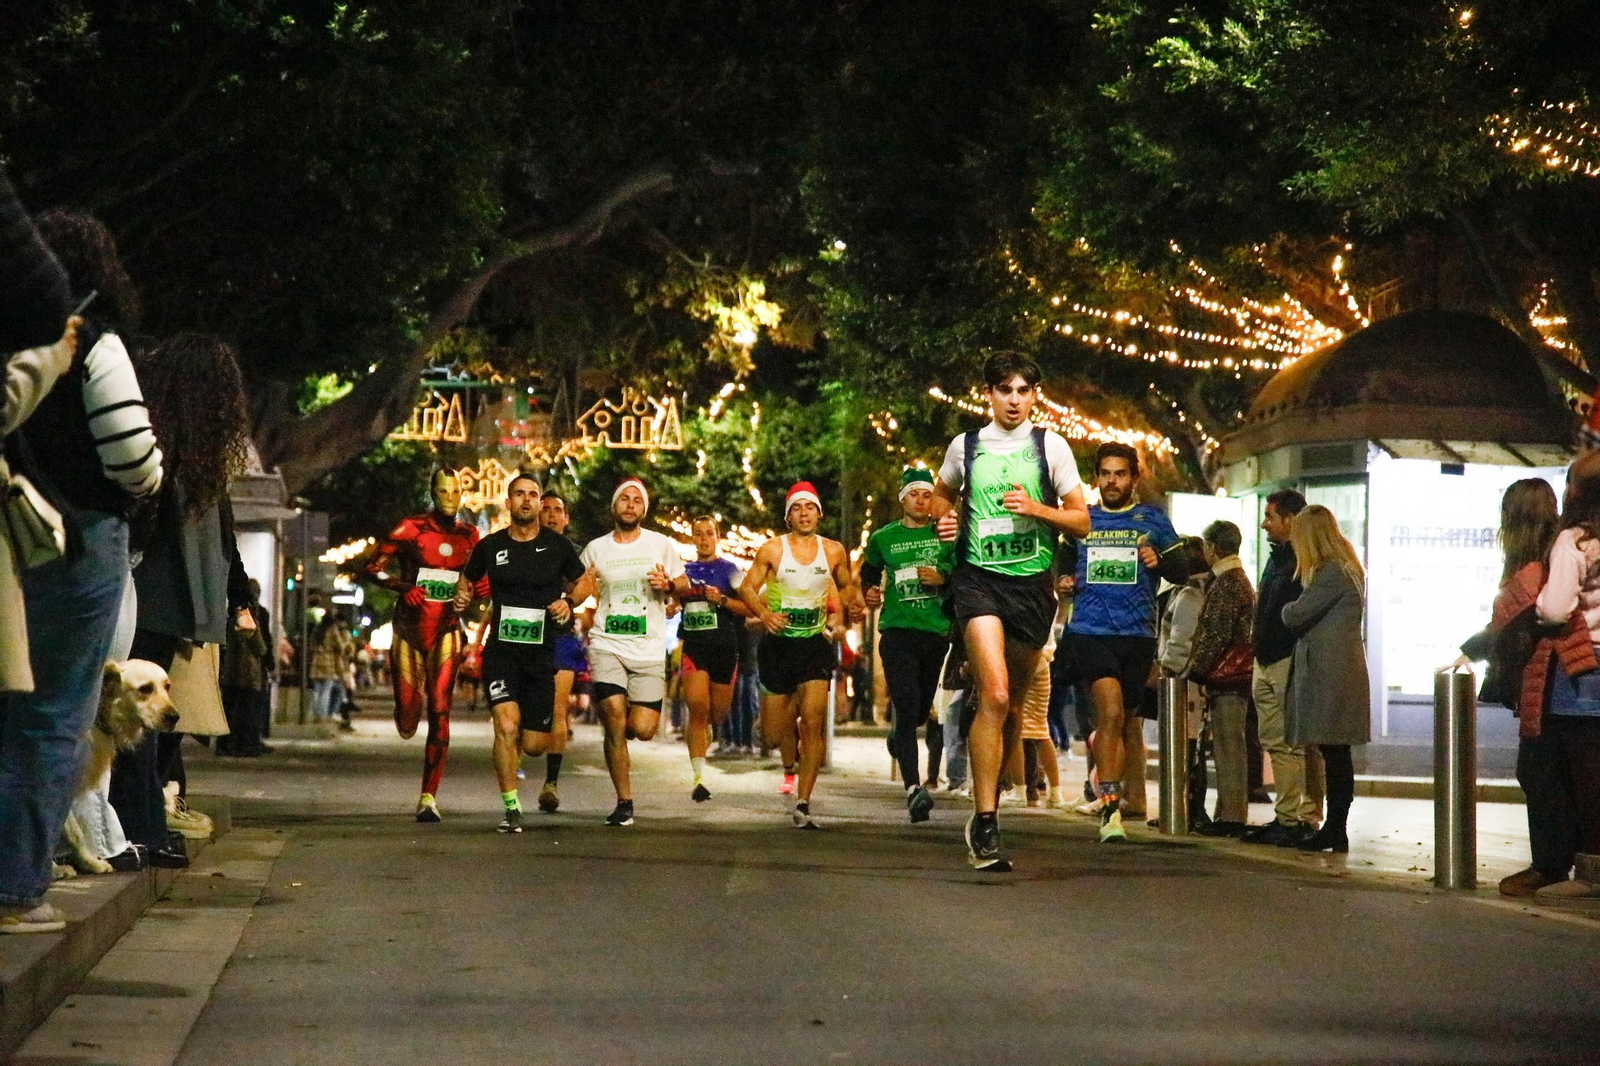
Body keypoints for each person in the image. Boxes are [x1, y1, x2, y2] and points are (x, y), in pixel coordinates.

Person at [4, 212, 167, 931]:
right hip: (76, 542)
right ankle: (16, 888)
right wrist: (150, 486)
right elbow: (134, 458)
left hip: (8, 534)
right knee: (55, 715)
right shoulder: (93, 345)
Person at [930, 352, 1091, 869]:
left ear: (1033, 396)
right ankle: (985, 820)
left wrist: (1037, 509)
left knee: (1012, 706)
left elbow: (1082, 521)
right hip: (978, 581)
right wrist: (946, 519)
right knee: (994, 694)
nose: (1015, 400)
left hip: (1031, 587)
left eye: (1023, 390)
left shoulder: (1051, 446)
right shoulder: (967, 446)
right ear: (989, 394)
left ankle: (990, 793)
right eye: (1005, 390)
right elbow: (940, 495)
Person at [1064, 442, 1186, 845]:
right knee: (1111, 714)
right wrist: (1062, 581)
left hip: (1136, 636)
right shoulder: (1083, 519)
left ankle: (1115, 796)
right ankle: (1111, 807)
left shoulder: (1152, 520)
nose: (1111, 481)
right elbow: (1062, 563)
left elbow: (1184, 569)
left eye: (1119, 474)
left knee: (1125, 719)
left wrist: (1160, 561)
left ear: (1134, 478)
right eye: (1105, 474)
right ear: (1096, 478)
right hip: (1091, 630)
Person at [455, 474, 589, 833]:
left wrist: (569, 601)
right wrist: (463, 594)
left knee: (533, 744)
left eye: (533, 495)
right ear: (508, 502)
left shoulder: (557, 547)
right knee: (506, 725)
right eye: (520, 494)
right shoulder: (490, 546)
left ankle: (525, 771)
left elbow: (586, 580)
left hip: (540, 656)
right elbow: (466, 579)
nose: (527, 501)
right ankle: (511, 807)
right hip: (501, 653)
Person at [1454, 478, 1565, 895]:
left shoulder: (1534, 567)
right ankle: (1554, 863)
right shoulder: (1547, 557)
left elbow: (1514, 622)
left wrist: (1475, 648)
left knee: (1538, 772)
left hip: (1545, 677)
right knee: (1545, 772)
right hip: (1543, 678)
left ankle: (1550, 866)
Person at [739, 482, 864, 828]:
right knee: (773, 735)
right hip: (778, 646)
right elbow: (746, 587)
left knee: (812, 723)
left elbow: (846, 586)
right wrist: (765, 616)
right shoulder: (772, 550)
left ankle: (804, 802)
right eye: (797, 508)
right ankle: (766, 723)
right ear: (788, 516)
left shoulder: (835, 551)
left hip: (813, 645)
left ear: (819, 514)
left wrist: (849, 609)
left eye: (810, 507)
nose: (804, 513)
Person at [364, 469, 480, 822]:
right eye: (443, 490)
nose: (449, 497)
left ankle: (428, 796)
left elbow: (479, 582)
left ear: (462, 494)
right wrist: (403, 588)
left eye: (455, 490)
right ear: (433, 493)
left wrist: (466, 595)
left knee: (440, 708)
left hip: (447, 630)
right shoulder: (410, 529)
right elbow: (372, 568)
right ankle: (405, 713)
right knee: (408, 720)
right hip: (409, 632)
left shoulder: (470, 535)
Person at [580, 477, 688, 826]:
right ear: (614, 506)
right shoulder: (596, 549)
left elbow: (682, 584)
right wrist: (577, 597)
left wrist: (668, 585)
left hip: (648, 649)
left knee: (641, 728)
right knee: (613, 714)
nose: (630, 505)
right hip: (607, 644)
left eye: (636, 500)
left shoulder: (660, 545)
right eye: (623, 499)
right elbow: (580, 588)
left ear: (643, 509)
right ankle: (624, 801)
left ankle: (623, 728)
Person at [1522, 465, 1600, 897]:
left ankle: (1589, 874)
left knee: (1583, 771)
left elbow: (1554, 609)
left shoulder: (1575, 541)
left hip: (1583, 665)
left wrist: (1539, 610)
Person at [862, 468, 953, 822]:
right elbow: (869, 572)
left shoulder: (944, 535)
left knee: (916, 714)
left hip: (934, 633)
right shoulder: (884, 537)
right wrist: (868, 591)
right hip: (898, 632)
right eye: (914, 493)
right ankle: (915, 789)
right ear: (902, 498)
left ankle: (898, 742)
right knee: (906, 701)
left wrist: (942, 578)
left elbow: (962, 575)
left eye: (927, 494)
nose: (921, 500)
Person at [1281, 505, 1369, 854]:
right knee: (1335, 752)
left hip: (1333, 674)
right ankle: (1335, 828)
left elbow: (1296, 614)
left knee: (1335, 752)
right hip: (1337, 670)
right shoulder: (1345, 568)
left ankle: (1336, 829)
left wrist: (1285, 607)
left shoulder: (1331, 572)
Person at [1243, 489, 1324, 848]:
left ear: (1290, 520)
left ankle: (1294, 819)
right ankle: (1290, 815)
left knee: (1289, 743)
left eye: (1270, 517)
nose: (1264, 524)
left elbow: (1297, 613)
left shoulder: (1305, 560)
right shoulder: (1278, 557)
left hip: (1284, 659)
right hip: (1267, 658)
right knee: (1276, 741)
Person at [1186, 521, 1255, 837]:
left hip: (1227, 679)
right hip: (1233, 678)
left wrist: (1195, 669)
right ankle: (1228, 812)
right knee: (1230, 745)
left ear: (1212, 547)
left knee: (1229, 746)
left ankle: (1232, 817)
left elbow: (1216, 633)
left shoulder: (1228, 583)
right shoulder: (1236, 580)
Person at [678, 515, 752, 801]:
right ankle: (699, 779)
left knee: (716, 715)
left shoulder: (730, 570)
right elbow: (672, 598)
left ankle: (706, 733)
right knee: (697, 708)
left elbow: (749, 608)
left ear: (717, 538)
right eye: (699, 534)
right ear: (693, 538)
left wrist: (721, 600)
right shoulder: (684, 571)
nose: (704, 539)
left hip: (724, 649)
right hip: (695, 649)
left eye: (709, 533)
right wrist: (673, 605)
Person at [1155, 537, 1211, 828]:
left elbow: (1180, 641)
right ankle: (1189, 809)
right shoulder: (1202, 590)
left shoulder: (1189, 595)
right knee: (1191, 748)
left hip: (1183, 683)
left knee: (1186, 748)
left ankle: (1188, 809)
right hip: (1192, 681)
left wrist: (1166, 670)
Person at [535, 488, 584, 811]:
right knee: (531, 724)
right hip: (526, 637)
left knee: (558, 709)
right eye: (546, 509)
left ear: (566, 519)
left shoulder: (576, 553)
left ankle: (551, 783)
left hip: (562, 637)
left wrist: (570, 597)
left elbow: (585, 584)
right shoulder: (521, 545)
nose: (552, 514)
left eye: (558, 510)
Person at [218, 579, 272, 756]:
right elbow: (258, 642)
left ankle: (225, 744)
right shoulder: (253, 613)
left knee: (230, 707)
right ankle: (245, 743)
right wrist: (265, 655)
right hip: (249, 669)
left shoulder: (229, 612)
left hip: (230, 668)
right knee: (248, 709)